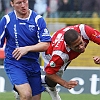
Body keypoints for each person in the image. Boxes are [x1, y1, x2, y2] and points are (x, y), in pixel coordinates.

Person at [0, 0, 51, 100]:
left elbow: (46, 44)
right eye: (19, 3)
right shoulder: (7, 20)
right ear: (12, 4)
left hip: (33, 64)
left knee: (35, 98)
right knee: (27, 95)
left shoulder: (37, 19)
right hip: (14, 63)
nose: (23, 5)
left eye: (25, 1)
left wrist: (27, 49)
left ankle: (19, 95)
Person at [41, 24, 100, 100]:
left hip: (60, 39)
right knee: (53, 80)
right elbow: (49, 73)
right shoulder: (60, 55)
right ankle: (46, 85)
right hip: (49, 53)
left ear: (81, 36)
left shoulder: (85, 30)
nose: (81, 47)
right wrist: (65, 83)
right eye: (77, 46)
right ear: (68, 46)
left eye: (81, 43)